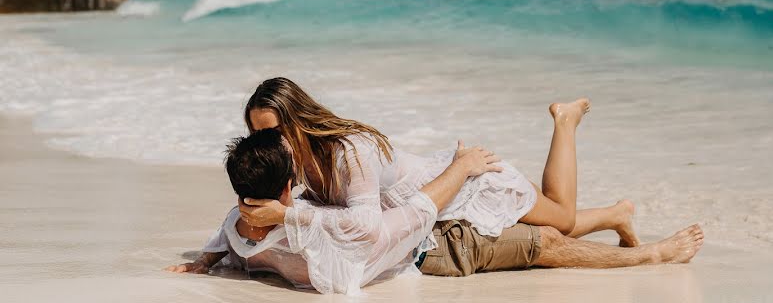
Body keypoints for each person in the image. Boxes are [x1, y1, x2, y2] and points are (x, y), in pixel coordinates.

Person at [166, 129, 704, 293]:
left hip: (441, 215)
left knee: (554, 221)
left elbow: (235, 232)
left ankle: (617, 215)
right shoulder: (293, 227)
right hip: (436, 246)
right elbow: (400, 223)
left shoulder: (243, 231)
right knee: (550, 243)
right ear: (283, 188)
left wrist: (211, 258)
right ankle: (651, 250)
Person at [239, 77, 639, 250]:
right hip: (446, 197)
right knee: (554, 222)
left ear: (297, 121)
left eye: (271, 133)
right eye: (258, 136)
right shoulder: (304, 164)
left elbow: (366, 224)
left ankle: (565, 121)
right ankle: (619, 214)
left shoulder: (349, 152)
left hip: (471, 183)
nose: (266, 145)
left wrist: (287, 218)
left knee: (562, 219)